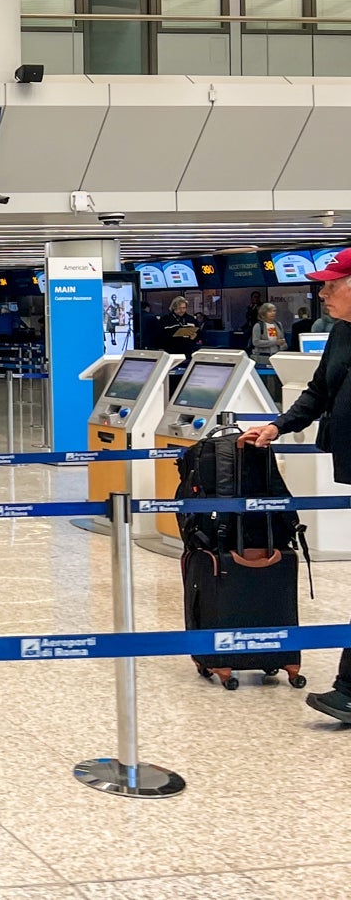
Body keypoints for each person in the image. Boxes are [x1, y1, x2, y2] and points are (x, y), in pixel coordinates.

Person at [236, 248, 351, 722]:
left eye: (332, 284)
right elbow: (320, 390)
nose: (322, 292)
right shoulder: (341, 332)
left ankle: (348, 690)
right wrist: (278, 426)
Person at [250, 302, 287, 400]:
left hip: (276, 357)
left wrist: (283, 345)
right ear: (263, 313)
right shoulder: (259, 326)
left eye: (274, 311)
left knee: (276, 382)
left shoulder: (278, 325)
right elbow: (256, 342)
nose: (273, 313)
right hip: (263, 357)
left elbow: (282, 339)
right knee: (265, 382)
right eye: (270, 311)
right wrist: (274, 342)